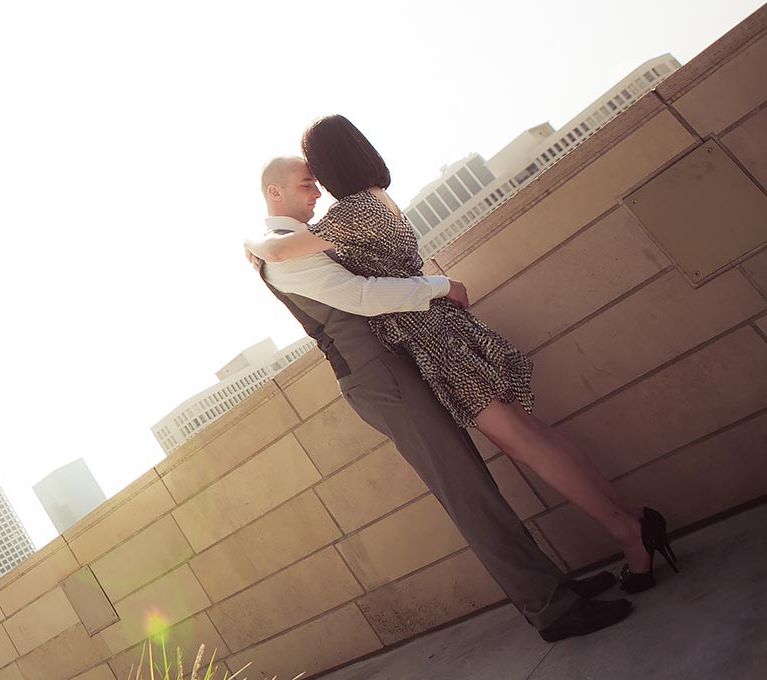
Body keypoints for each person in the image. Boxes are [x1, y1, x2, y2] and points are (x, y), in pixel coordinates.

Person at [248, 118, 678, 597]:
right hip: (445, 329)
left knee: (522, 441)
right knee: (532, 433)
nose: (317, 187)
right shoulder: (376, 199)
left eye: (316, 174)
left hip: (435, 339)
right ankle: (634, 521)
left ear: (330, 164)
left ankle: (629, 532)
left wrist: (251, 243)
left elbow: (280, 251)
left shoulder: (350, 214)